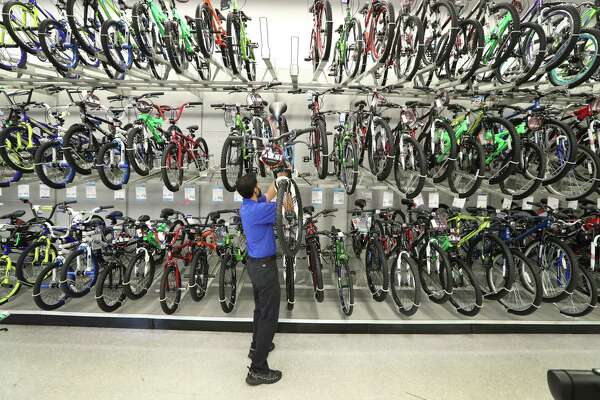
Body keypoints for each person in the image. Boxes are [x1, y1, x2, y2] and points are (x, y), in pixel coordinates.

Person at [237, 172, 286, 386]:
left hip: (255, 264)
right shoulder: (259, 210)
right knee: (268, 316)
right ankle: (257, 370)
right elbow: (288, 207)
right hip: (265, 267)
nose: (260, 186)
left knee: (259, 309)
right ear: (254, 189)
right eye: (258, 184)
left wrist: (279, 180)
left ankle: (256, 346)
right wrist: (286, 189)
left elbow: (269, 193)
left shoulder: (249, 205)